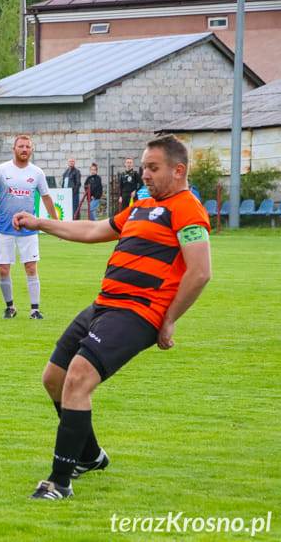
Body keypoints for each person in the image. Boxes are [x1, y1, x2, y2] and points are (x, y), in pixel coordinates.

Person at [14, 134, 211, 500]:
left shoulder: (188, 209)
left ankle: (59, 482)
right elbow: (93, 229)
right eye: (144, 167)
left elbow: (200, 271)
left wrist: (168, 321)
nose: (146, 175)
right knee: (54, 378)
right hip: (104, 305)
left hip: (138, 313)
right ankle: (89, 456)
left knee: (77, 379)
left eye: (153, 168)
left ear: (178, 170)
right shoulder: (139, 207)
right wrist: (41, 223)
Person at [0, 135, 58, 320]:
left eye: (27, 147)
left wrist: (56, 224)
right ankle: (10, 307)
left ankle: (34, 309)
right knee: (3, 269)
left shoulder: (37, 173)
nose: (24, 149)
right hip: (4, 228)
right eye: (21, 146)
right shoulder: (1, 170)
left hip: (28, 230)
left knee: (31, 268)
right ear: (14, 149)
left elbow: (47, 198)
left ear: (32, 150)